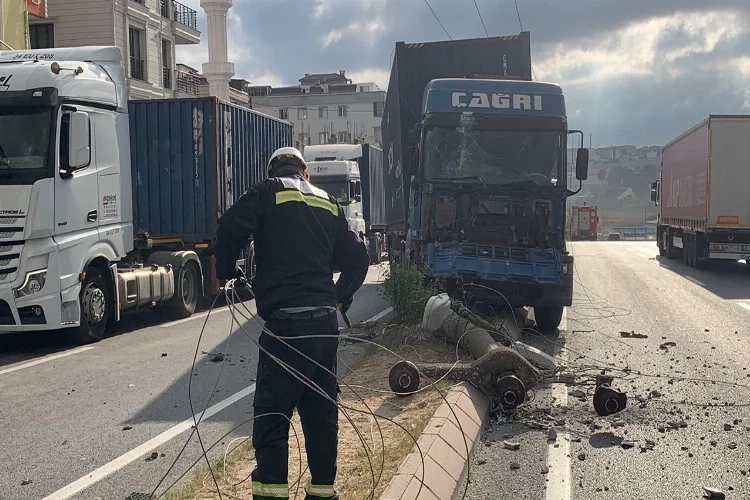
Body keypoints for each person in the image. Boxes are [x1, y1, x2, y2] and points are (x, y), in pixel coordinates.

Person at [214, 146, 370, 500]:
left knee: (272, 420)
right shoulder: (328, 202)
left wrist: (228, 274)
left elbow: (228, 227)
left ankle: (271, 495)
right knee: (321, 418)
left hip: (284, 329)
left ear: (274, 171)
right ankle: (322, 493)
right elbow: (359, 257)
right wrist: (339, 296)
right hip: (323, 329)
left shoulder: (267, 192)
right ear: (305, 173)